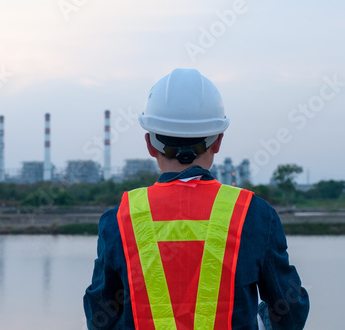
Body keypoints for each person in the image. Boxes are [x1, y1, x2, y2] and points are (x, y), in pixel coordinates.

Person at [83, 69, 310, 329]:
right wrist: (257, 319)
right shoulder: (254, 215)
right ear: (218, 142)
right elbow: (290, 313)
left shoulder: (119, 220)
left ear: (150, 144)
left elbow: (100, 319)